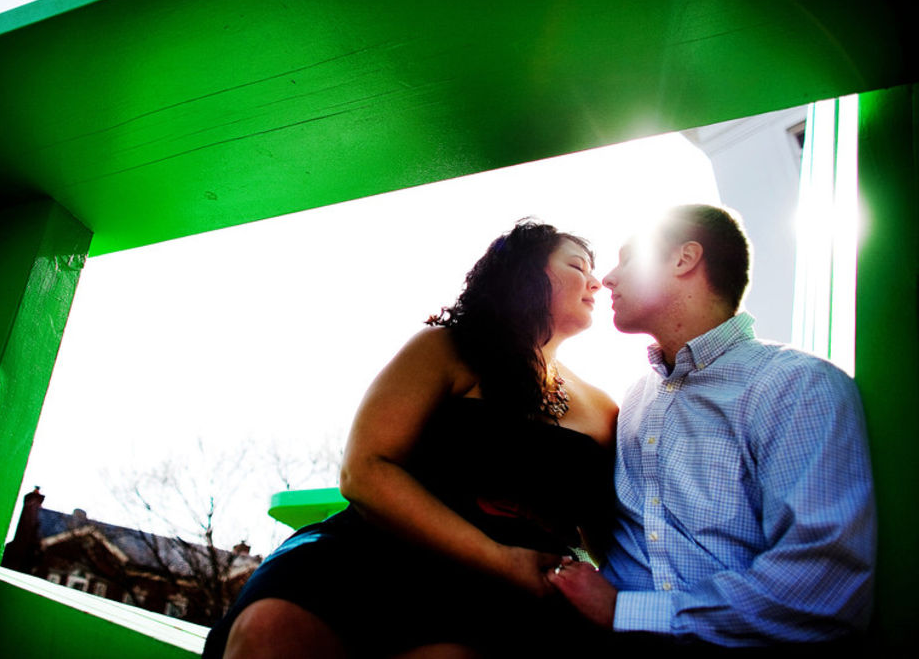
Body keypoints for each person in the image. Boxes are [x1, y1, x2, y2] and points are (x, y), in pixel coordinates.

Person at [202, 220, 618, 658]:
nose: (596, 282)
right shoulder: (446, 348)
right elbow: (365, 470)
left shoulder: (603, 408)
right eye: (578, 266)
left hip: (507, 603)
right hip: (375, 557)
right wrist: (500, 557)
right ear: (526, 273)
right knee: (272, 628)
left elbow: (614, 540)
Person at [550, 204, 876, 650]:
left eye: (628, 259)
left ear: (684, 259)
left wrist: (622, 611)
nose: (607, 278)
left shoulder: (798, 385)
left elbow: (823, 589)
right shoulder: (635, 400)